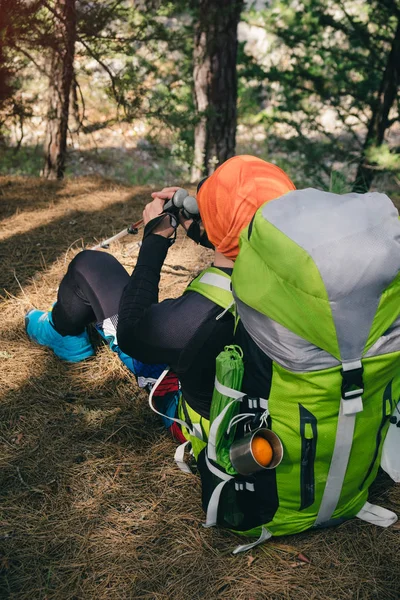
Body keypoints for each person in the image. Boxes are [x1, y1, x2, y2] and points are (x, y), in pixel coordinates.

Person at [25, 155, 296, 425]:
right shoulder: (302, 282)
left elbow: (131, 331)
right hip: (275, 419)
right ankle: (65, 332)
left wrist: (155, 238)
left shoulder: (200, 315)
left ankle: (60, 331)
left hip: (199, 416)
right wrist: (204, 230)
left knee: (90, 264)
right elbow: (244, 246)